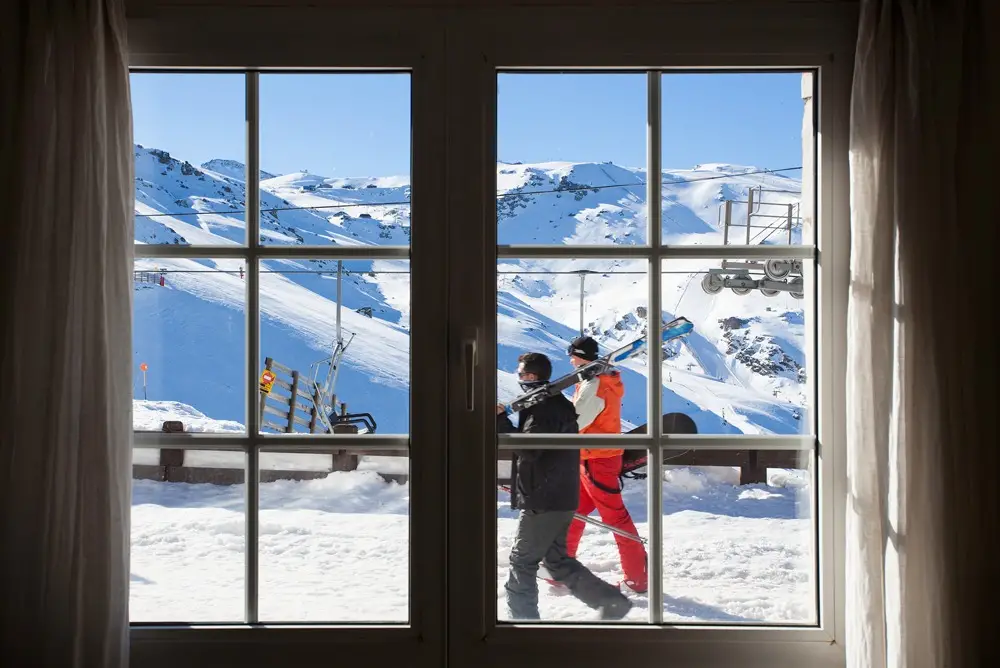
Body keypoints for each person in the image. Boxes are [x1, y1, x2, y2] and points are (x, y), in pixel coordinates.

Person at [497, 351, 633, 621]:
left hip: (542, 497)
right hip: (561, 494)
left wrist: (500, 422)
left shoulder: (541, 408)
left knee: (522, 562)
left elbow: (530, 450)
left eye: (522, 374)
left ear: (532, 376)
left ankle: (523, 624)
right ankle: (611, 602)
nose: (520, 378)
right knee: (557, 560)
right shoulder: (558, 404)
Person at [564, 335, 649, 594]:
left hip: (596, 459)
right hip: (592, 456)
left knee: (615, 517)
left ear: (581, 356)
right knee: (573, 512)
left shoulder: (594, 385)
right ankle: (559, 567)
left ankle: (637, 577)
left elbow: (576, 423)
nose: (570, 360)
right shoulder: (599, 380)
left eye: (573, 355)